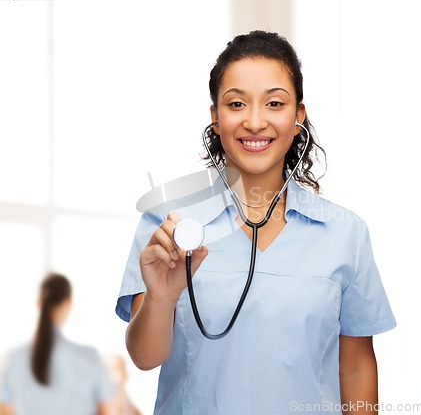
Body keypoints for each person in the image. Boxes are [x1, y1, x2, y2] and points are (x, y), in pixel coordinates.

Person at [116, 30, 397, 414]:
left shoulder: (346, 233)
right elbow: (145, 357)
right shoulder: (168, 226)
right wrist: (162, 297)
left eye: (274, 103)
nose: (254, 121)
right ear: (215, 118)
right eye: (236, 104)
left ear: (298, 117)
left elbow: (356, 366)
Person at [0, 272, 116, 415]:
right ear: (68, 303)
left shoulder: (13, 358)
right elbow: (104, 411)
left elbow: (4, 410)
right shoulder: (89, 357)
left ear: (39, 302)